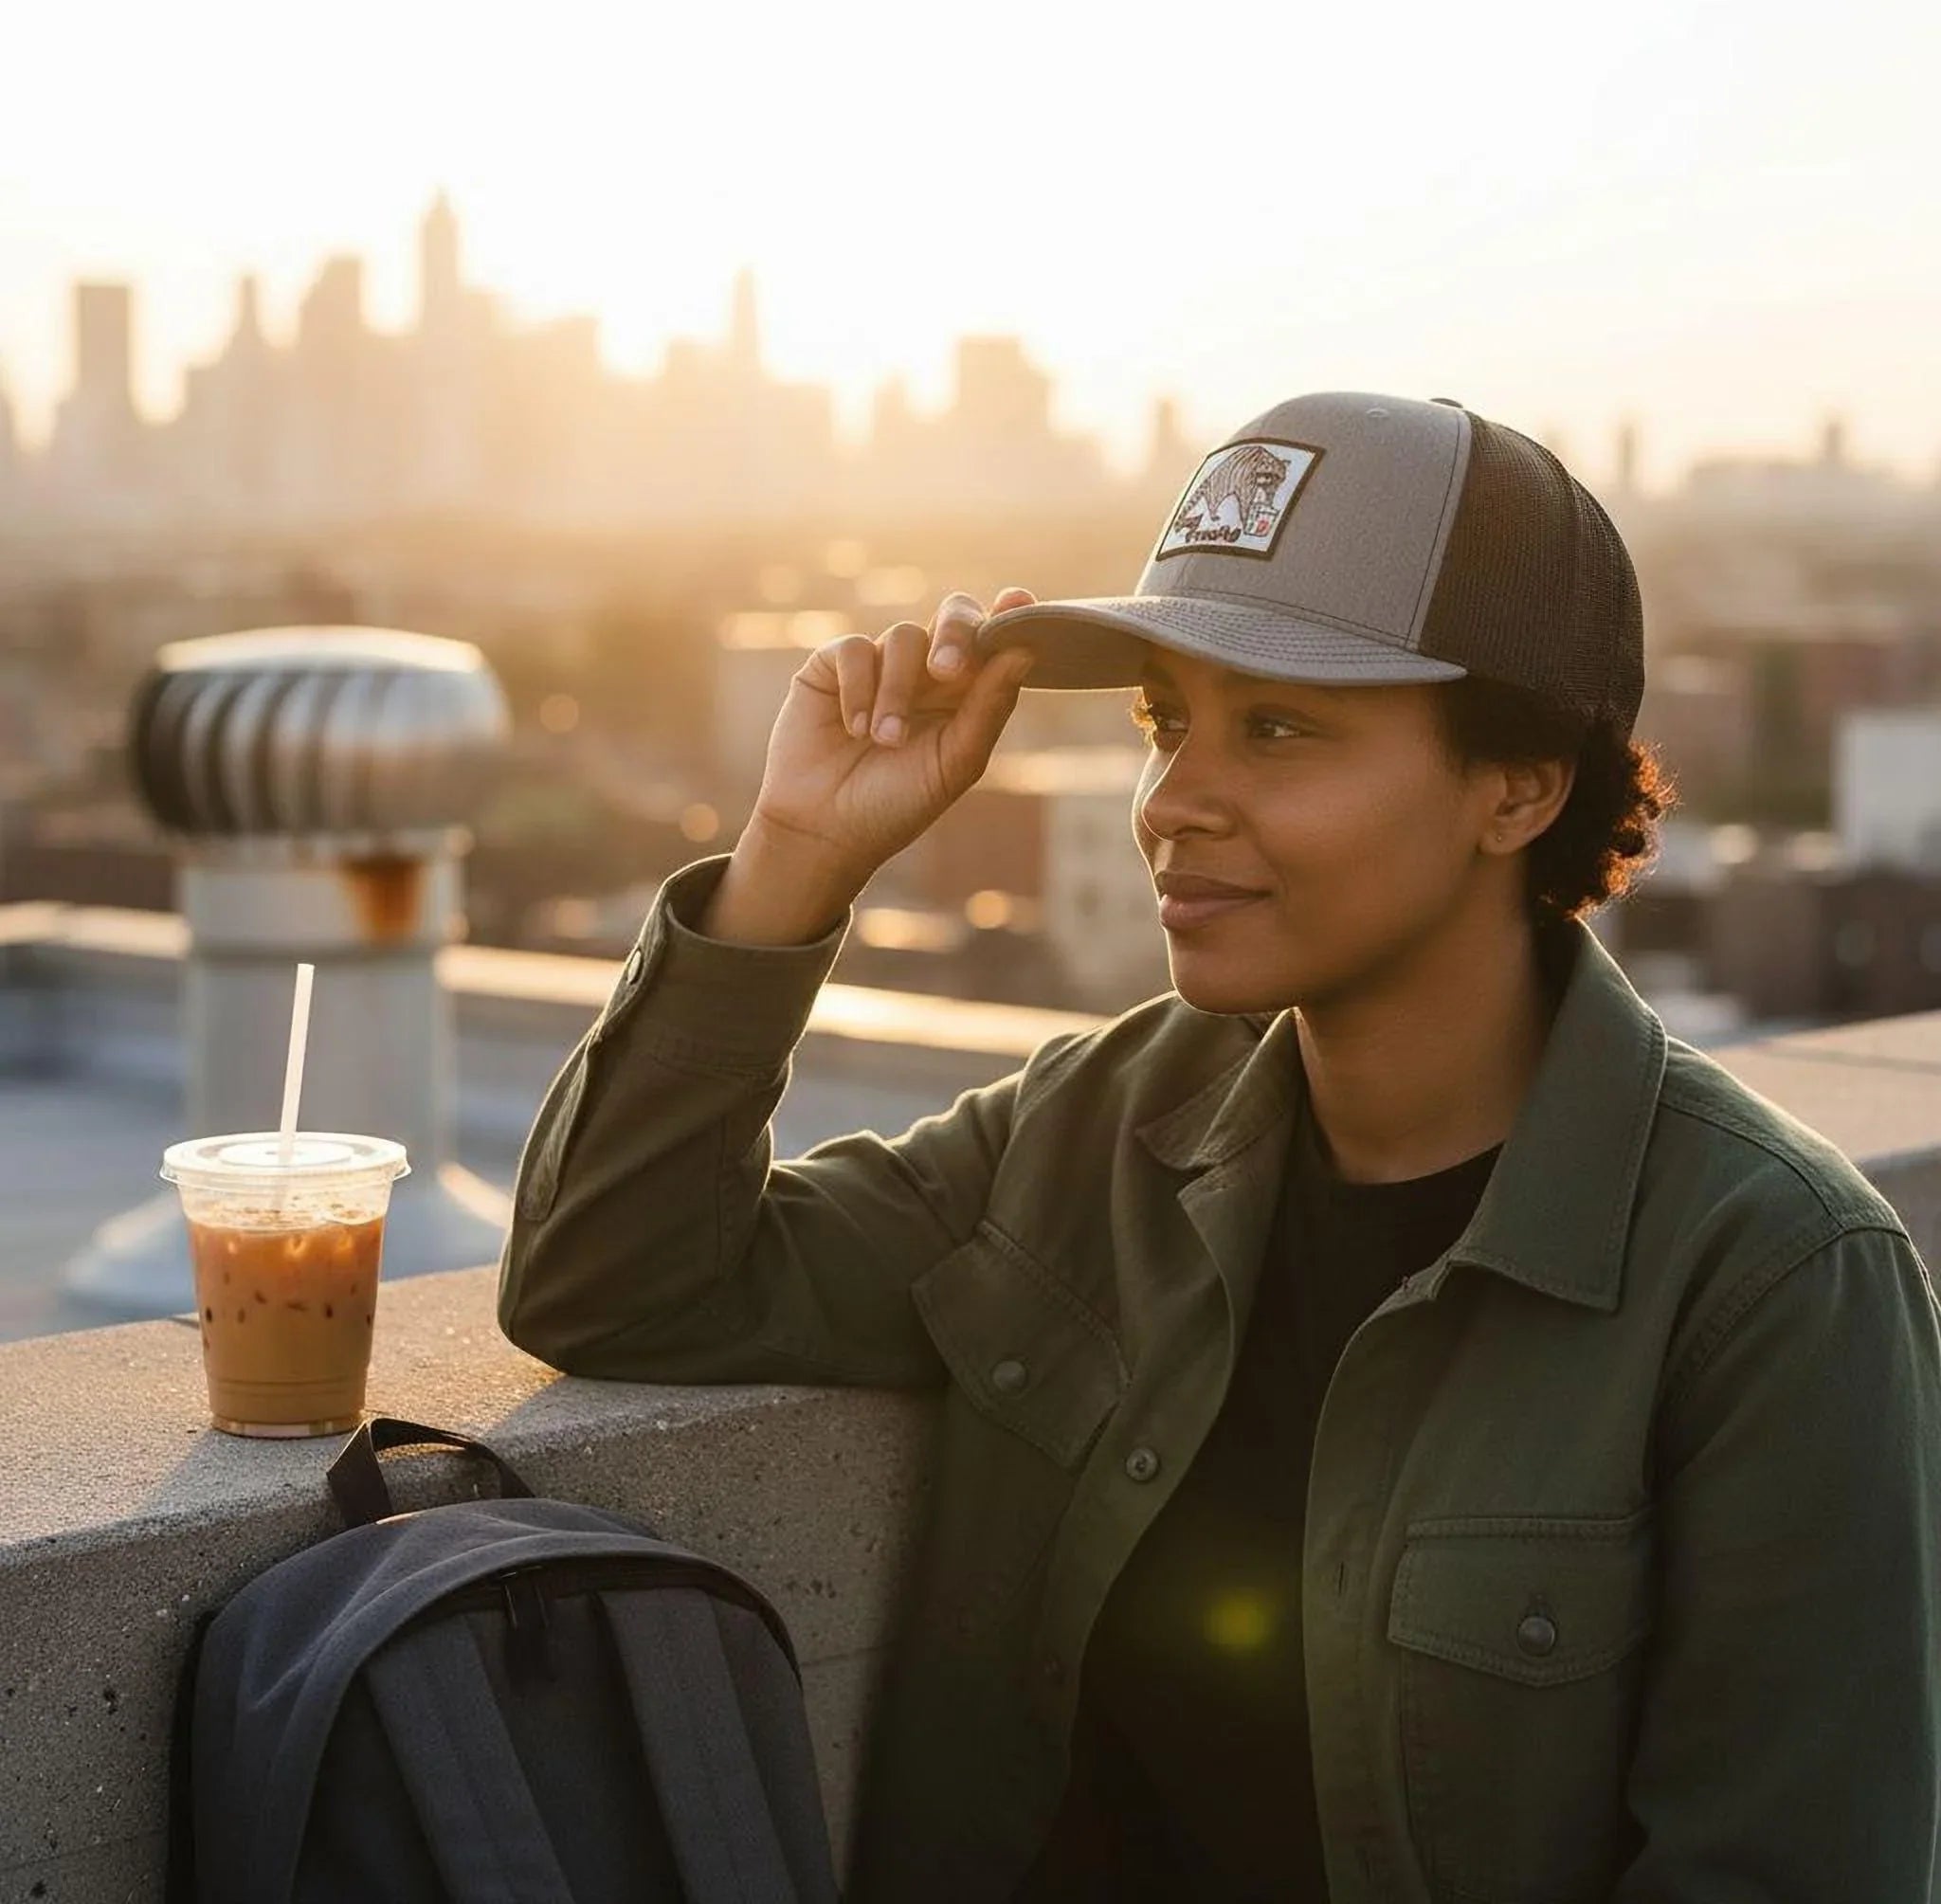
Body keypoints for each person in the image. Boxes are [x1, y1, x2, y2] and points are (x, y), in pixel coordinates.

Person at [498, 391, 1941, 1903]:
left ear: (1519, 784)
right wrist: (795, 857)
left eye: (1277, 727)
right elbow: (618, 1284)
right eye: (1166, 723)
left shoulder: (1770, 1280)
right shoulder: (1101, 1130)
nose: (1176, 802)